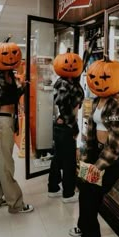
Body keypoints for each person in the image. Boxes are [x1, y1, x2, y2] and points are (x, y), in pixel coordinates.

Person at [70, 62, 119, 237]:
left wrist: (96, 166)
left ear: (113, 79)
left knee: (91, 193)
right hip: (96, 153)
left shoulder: (117, 105)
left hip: (111, 159)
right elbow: (91, 131)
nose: (97, 81)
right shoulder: (98, 99)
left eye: (103, 78)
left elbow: (115, 145)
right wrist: (85, 158)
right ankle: (83, 226)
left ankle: (91, 236)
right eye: (93, 77)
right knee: (85, 188)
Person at [0, 38, 34, 214]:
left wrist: (23, 87)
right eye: (6, 54)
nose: (11, 58)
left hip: (9, 120)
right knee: (5, 164)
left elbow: (10, 97)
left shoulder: (9, 75)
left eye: (14, 54)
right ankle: (15, 202)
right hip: (0, 122)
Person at [48, 51, 85, 203]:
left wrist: (90, 46)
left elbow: (80, 68)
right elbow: (63, 106)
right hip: (66, 126)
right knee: (69, 161)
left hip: (63, 125)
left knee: (58, 158)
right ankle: (68, 193)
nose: (72, 66)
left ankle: (53, 188)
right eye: (68, 64)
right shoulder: (64, 83)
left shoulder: (69, 81)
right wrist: (74, 126)